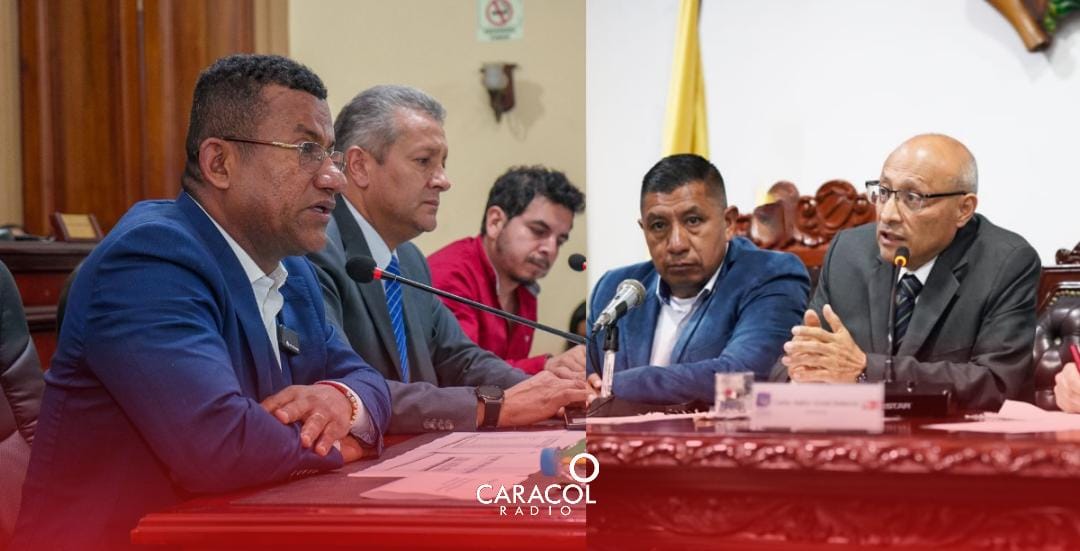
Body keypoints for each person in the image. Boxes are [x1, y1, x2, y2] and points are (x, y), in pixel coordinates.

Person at [11, 55, 391, 550]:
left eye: (331, 155)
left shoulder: (291, 267)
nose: (333, 178)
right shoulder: (148, 261)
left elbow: (369, 383)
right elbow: (221, 444)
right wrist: (345, 445)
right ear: (219, 163)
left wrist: (343, 401)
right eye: (305, 149)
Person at [309, 85, 587, 434]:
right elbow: (345, 388)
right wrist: (498, 406)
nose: (443, 181)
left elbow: (460, 359)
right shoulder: (316, 249)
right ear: (360, 166)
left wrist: (552, 391)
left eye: (443, 164)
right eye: (424, 162)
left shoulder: (409, 260)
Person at [773, 133, 1040, 413]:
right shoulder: (848, 253)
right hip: (854, 438)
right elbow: (786, 365)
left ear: (964, 209)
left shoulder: (1005, 263)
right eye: (884, 192)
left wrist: (864, 370)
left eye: (912, 198)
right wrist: (802, 372)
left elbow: (998, 384)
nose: (888, 214)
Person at [586, 154, 809, 404]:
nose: (676, 244)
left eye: (693, 221)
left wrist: (613, 384)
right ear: (643, 228)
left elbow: (741, 380)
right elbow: (582, 379)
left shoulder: (770, 274)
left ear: (728, 223)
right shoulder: (616, 289)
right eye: (659, 225)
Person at [427, 166, 586, 374]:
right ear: (495, 222)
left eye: (560, 240)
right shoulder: (450, 276)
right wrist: (545, 367)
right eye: (538, 231)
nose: (551, 248)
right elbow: (461, 372)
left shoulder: (525, 288)